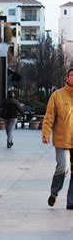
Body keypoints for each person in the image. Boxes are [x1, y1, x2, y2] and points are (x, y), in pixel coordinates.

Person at [42, 68, 73, 209]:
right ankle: (54, 193)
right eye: (71, 75)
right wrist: (46, 133)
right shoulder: (57, 95)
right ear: (66, 78)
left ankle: (71, 201)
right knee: (63, 167)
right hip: (62, 139)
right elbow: (49, 117)